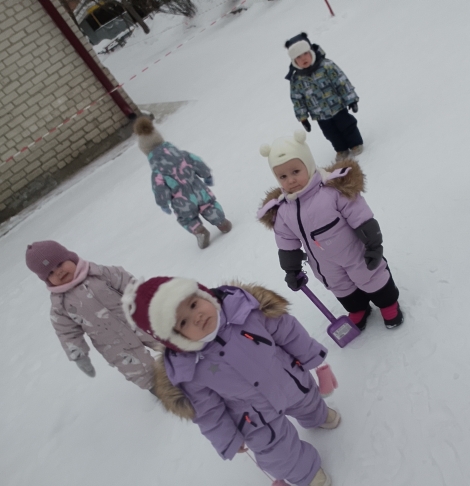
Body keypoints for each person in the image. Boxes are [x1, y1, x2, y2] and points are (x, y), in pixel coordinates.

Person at [122, 276, 339, 486]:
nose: (196, 317)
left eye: (194, 304)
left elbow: (288, 331)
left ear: (203, 294)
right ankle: (306, 473)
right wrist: (227, 438)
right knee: (276, 452)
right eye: (184, 322)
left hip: (288, 380)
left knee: (307, 400)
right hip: (254, 415)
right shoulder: (188, 369)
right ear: (175, 338)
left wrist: (309, 355)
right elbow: (207, 410)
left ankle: (317, 416)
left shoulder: (246, 311)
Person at [258, 130, 403, 330]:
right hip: (324, 263)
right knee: (340, 286)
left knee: (370, 276)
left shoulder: (332, 190)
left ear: (309, 165)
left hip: (354, 252)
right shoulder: (283, 210)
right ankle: (358, 309)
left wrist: (374, 243)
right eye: (282, 176)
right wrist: (292, 269)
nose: (290, 180)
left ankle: (388, 304)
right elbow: (286, 241)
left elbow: (359, 215)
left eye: (296, 172)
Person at [25, 240, 157, 391]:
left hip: (139, 321)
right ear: (46, 280)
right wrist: (79, 356)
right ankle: (162, 390)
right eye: (50, 273)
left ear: (70, 258)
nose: (58, 272)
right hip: (114, 345)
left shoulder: (100, 273)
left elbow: (129, 284)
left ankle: (180, 364)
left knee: (168, 342)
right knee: (140, 371)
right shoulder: (60, 305)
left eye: (60, 264)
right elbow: (66, 333)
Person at [133, 116, 232, 249]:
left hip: (182, 202)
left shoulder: (157, 173)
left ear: (146, 152)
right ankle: (222, 222)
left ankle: (200, 231)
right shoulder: (183, 155)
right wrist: (207, 175)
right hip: (199, 191)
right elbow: (197, 162)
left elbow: (159, 190)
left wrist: (163, 204)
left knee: (186, 218)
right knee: (209, 206)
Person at [284, 32, 363, 162]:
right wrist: (303, 118)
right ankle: (341, 149)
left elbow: (341, 82)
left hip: (337, 106)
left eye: (305, 53)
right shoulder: (296, 79)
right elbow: (297, 100)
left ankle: (355, 144)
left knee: (347, 125)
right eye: (298, 57)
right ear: (294, 61)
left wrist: (351, 99)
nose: (303, 58)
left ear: (311, 52)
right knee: (330, 134)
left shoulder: (326, 66)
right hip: (320, 114)